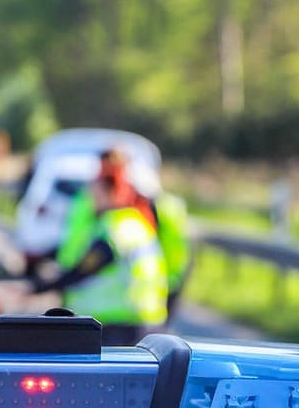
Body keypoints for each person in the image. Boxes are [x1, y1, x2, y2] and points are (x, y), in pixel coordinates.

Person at [37, 147, 189, 345]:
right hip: (136, 319)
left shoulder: (119, 228)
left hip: (122, 323)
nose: (90, 197)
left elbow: (89, 266)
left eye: (94, 191)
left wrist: (41, 286)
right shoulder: (127, 221)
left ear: (109, 190)